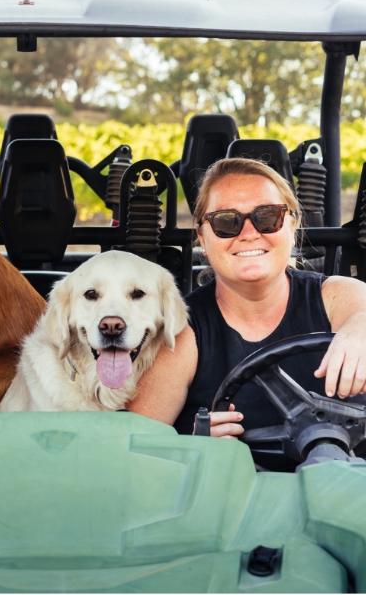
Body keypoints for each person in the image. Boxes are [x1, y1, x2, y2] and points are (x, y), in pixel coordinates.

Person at [128, 157, 366, 469]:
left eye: (268, 217)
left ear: (292, 226)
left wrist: (360, 330)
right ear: (203, 238)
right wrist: (185, 450)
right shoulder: (182, 331)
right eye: (227, 222)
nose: (249, 233)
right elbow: (136, 451)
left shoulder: (338, 295)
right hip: (236, 510)